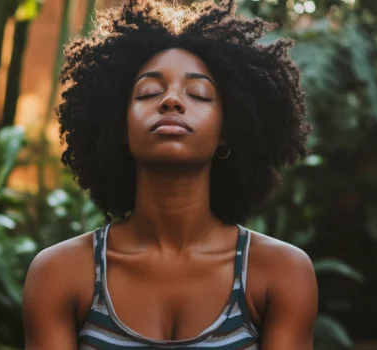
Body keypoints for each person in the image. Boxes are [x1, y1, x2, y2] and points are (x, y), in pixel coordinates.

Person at [22, 0, 318, 348]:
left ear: (228, 129)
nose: (171, 101)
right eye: (149, 92)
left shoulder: (280, 273)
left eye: (199, 94)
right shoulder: (60, 274)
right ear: (119, 127)